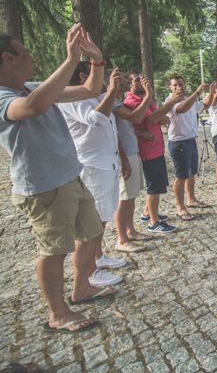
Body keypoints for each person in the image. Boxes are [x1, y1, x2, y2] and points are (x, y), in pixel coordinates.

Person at [0, 25, 114, 333]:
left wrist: (96, 62)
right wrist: (70, 58)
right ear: (8, 59)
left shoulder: (32, 86)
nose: (32, 58)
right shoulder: (4, 97)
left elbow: (90, 90)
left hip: (71, 177)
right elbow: (34, 107)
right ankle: (58, 313)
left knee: (91, 233)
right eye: (25, 53)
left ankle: (81, 288)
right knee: (54, 249)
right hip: (44, 187)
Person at [58, 64, 127, 287]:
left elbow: (111, 128)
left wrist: (121, 158)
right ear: (83, 76)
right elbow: (96, 119)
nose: (104, 79)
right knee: (91, 221)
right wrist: (111, 92)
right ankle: (89, 272)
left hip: (108, 163)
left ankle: (98, 257)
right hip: (92, 166)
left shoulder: (95, 97)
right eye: (98, 75)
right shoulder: (71, 98)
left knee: (102, 216)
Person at [124, 73, 179, 233]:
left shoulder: (145, 99)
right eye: (136, 80)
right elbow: (148, 120)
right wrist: (172, 102)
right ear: (130, 84)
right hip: (147, 150)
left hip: (156, 147)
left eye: (143, 78)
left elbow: (155, 116)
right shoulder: (131, 101)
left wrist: (162, 118)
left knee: (158, 184)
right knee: (154, 186)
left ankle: (148, 213)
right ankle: (154, 223)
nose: (142, 82)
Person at [112, 73, 154, 252]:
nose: (128, 82)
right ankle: (121, 239)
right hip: (125, 155)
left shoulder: (119, 101)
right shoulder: (112, 102)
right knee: (124, 197)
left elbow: (128, 127)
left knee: (131, 196)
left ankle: (130, 230)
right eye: (124, 79)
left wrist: (140, 134)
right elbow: (135, 118)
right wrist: (149, 95)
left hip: (132, 151)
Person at [164, 76, 209, 221]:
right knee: (181, 176)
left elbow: (204, 105)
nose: (179, 87)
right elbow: (181, 109)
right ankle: (180, 207)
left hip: (191, 140)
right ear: (170, 88)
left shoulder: (189, 99)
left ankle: (191, 199)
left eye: (181, 84)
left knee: (191, 173)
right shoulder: (169, 101)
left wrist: (213, 92)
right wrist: (197, 93)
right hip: (179, 143)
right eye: (175, 85)